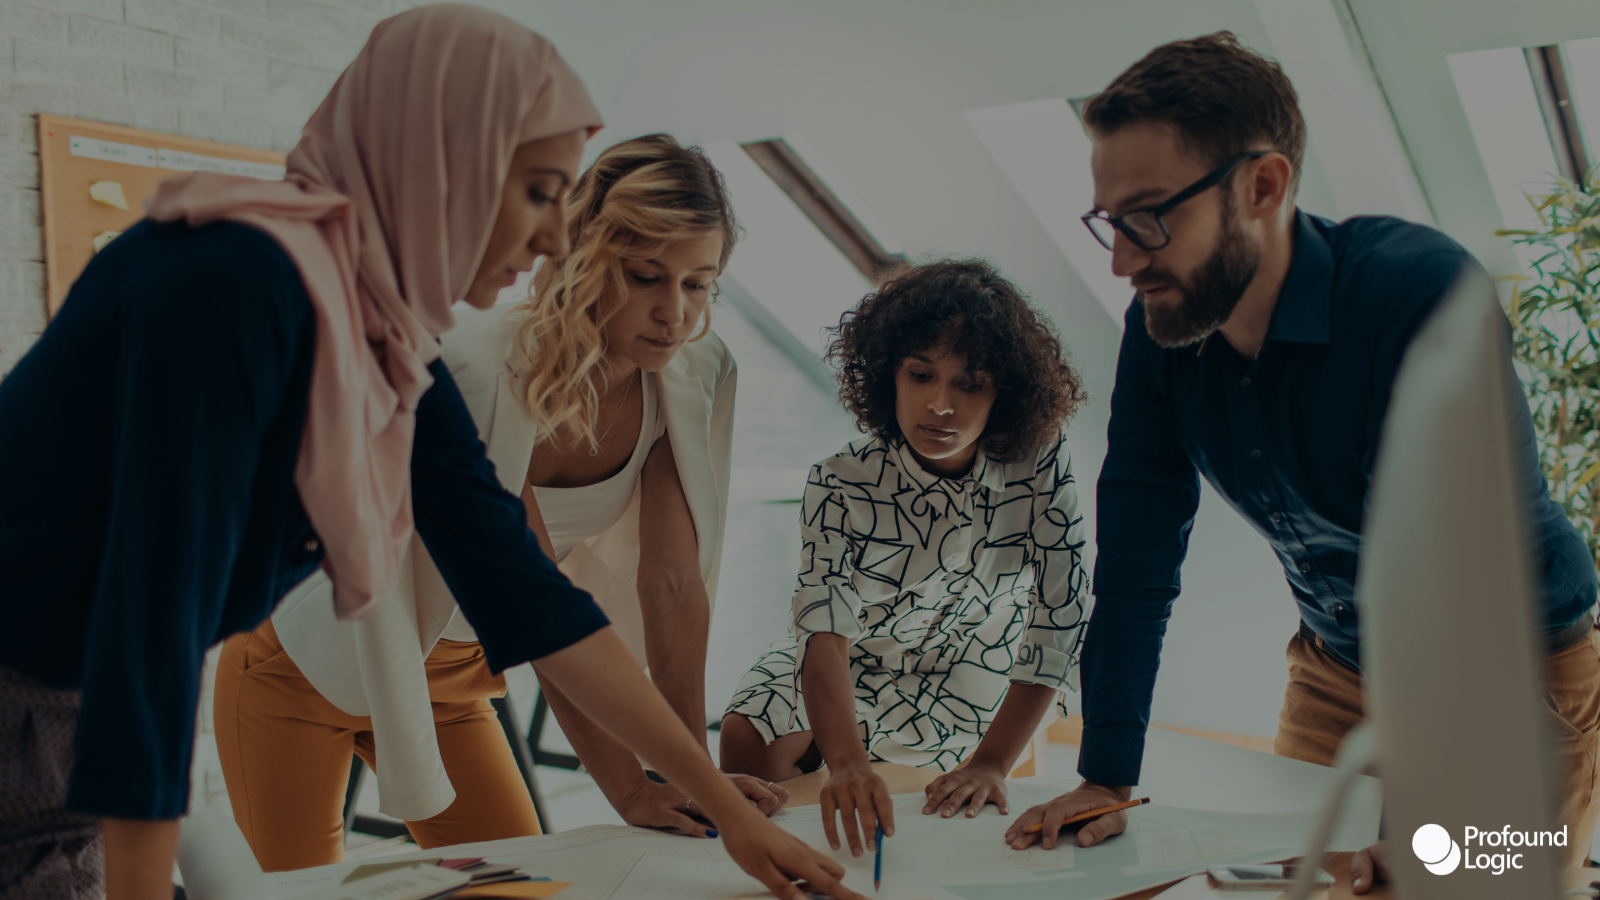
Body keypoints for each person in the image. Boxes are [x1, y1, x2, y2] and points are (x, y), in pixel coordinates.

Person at [0, 7, 861, 900]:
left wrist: (727, 809)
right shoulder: (232, 283)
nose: (553, 243)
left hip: (66, 714)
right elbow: (151, 615)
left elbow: (524, 589)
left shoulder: (386, 344)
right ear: (436, 162)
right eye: (536, 192)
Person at [1001, 32, 1600, 893]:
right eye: (1109, 219)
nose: (1122, 259)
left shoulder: (1418, 295)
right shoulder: (1160, 335)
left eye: (1149, 216)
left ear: (1264, 185)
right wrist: (1104, 777)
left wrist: (1411, 830)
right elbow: (1136, 565)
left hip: (1509, 673)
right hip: (1337, 666)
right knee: (1314, 883)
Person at [216, 133, 783, 869]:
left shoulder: (692, 371)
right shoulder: (479, 364)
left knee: (519, 889)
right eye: (646, 276)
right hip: (300, 667)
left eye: (698, 283)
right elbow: (535, 604)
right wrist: (642, 786)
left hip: (452, 680)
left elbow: (672, 584)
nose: (674, 312)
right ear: (584, 259)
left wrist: (689, 779)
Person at [721, 259, 1091, 859]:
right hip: (859, 658)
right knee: (746, 737)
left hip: (978, 665)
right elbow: (825, 631)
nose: (940, 404)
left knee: (950, 800)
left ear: (1006, 392)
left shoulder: (1040, 460)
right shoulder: (839, 483)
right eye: (921, 376)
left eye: (969, 384)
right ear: (888, 373)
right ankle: (806, 868)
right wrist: (843, 763)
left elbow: (1061, 613)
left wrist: (995, 762)